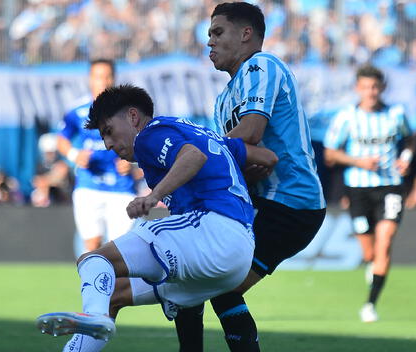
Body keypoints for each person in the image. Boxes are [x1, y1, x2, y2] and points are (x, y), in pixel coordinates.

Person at [35, 84, 278, 351]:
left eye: (109, 131)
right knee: (114, 295)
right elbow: (267, 158)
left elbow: (193, 156)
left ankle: (94, 316)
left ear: (133, 117)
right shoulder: (204, 134)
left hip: (213, 231)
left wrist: (154, 196)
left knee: (94, 259)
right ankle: (92, 324)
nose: (108, 144)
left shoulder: (149, 134)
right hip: (236, 256)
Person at [175, 3, 326, 351]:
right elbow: (235, 157)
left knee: (214, 284)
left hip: (291, 202)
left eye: (217, 32)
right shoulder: (222, 100)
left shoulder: (262, 65)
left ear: (246, 34)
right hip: (258, 200)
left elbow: (252, 132)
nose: (208, 42)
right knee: (198, 279)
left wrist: (203, 157)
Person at [323, 65, 416, 322]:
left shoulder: (396, 114)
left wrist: (406, 157)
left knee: (384, 241)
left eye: (375, 87)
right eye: (366, 87)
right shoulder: (346, 118)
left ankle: (370, 304)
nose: (371, 92)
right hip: (358, 188)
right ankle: (371, 265)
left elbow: (411, 138)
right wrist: (358, 161)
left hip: (391, 185)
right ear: (358, 89)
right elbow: (330, 153)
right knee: (369, 251)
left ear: (382, 88)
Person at [57, 59, 138, 253]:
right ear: (90, 80)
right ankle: (94, 283)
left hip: (121, 187)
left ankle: (119, 285)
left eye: (107, 76)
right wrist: (75, 155)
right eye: (98, 77)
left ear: (114, 79)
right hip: (89, 186)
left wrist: (134, 163)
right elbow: (61, 139)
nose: (103, 81)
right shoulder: (78, 110)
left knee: (120, 250)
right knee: (92, 246)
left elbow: (146, 143)